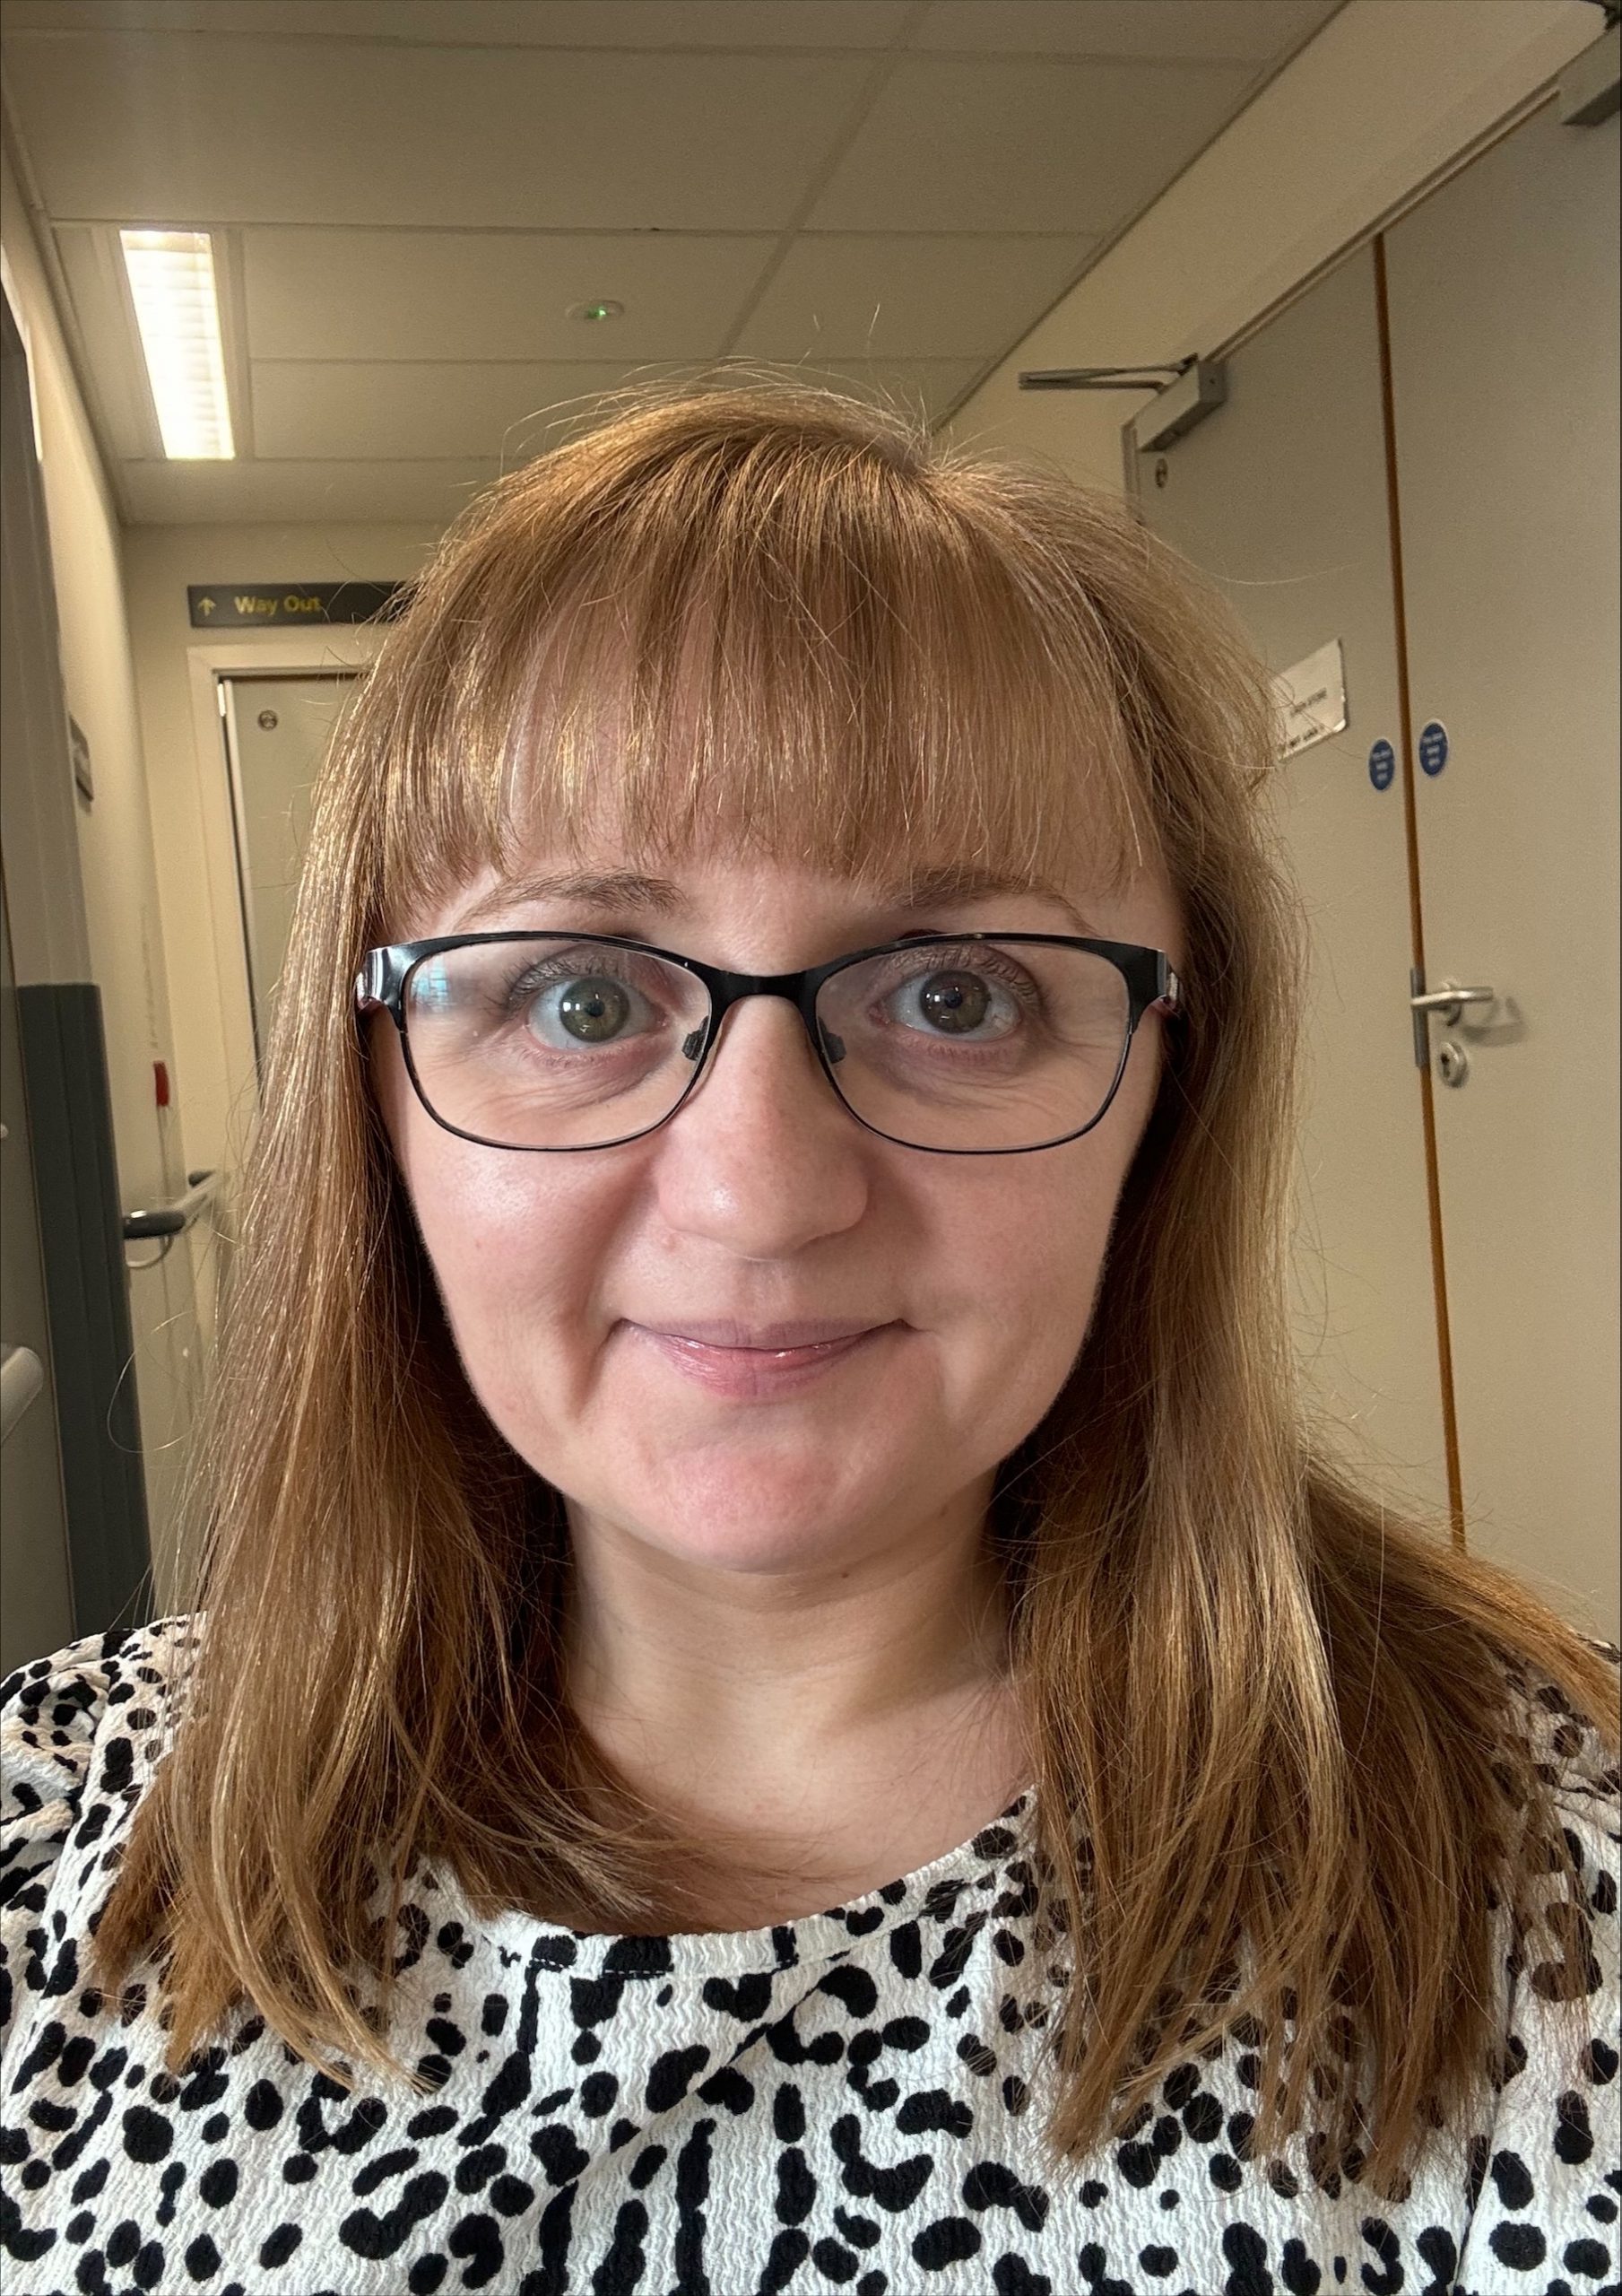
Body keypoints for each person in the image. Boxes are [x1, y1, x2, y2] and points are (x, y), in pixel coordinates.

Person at [2, 385, 1616, 2296]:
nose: (759, 1194)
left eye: (956, 994)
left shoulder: (1541, 1886)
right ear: (377, 1104)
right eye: (580, 995)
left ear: (1166, 1096)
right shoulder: (58, 1830)